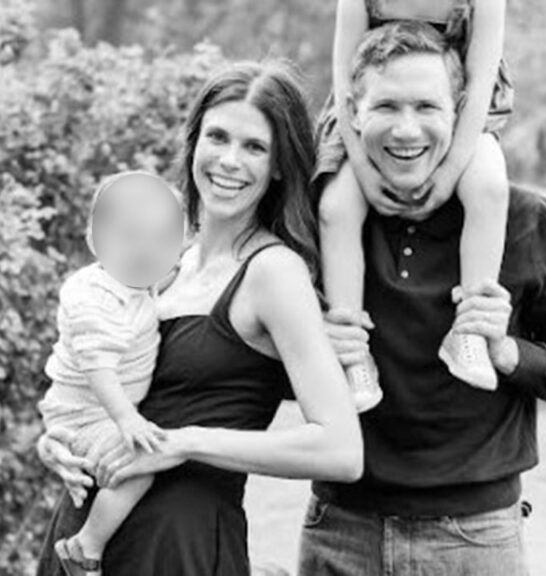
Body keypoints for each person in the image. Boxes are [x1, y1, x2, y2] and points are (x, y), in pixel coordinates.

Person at [299, 22, 546, 575]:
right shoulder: (324, 220)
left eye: (427, 106)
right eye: (387, 106)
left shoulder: (524, 222)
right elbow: (254, 372)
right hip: (340, 529)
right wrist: (311, 349)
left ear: (463, 112)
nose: (406, 130)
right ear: (353, 112)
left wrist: (507, 352)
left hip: (475, 539)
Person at [35, 61, 363, 576]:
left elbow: (340, 450)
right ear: (194, 144)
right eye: (218, 137)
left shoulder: (273, 273)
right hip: (83, 534)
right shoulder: (166, 263)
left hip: (177, 545)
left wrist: (183, 443)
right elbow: (110, 380)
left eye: (254, 147)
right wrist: (61, 440)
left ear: (279, 165)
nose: (229, 160)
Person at [317, 0, 515, 411]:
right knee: (336, 207)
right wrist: (362, 167)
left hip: (461, 114)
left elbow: (479, 84)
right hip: (371, 111)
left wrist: (450, 171)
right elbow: (343, 73)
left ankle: (470, 330)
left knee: (489, 187)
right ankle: (352, 349)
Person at [39, 172, 184, 575]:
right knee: (140, 466)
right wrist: (126, 419)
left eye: (160, 240)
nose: (144, 251)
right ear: (94, 241)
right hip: (87, 416)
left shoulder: (136, 283)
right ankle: (85, 547)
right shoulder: (96, 297)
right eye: (130, 237)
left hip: (99, 414)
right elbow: (97, 365)